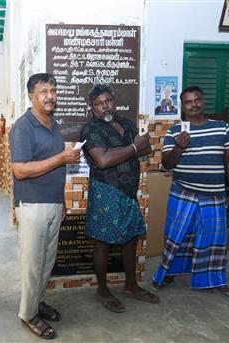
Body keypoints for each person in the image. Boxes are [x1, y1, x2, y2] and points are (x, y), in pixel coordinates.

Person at [152, 86, 229, 307]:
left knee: (214, 240)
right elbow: (167, 164)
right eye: (188, 102)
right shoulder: (175, 131)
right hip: (183, 192)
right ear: (182, 106)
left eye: (197, 100)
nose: (193, 104)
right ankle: (167, 273)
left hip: (214, 195)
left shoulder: (222, 128)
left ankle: (216, 280)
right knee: (176, 236)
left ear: (203, 102)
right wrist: (179, 147)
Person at [9, 73, 80, 340]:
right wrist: (62, 157)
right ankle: (27, 314)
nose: (50, 96)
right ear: (31, 95)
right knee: (32, 264)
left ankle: (37, 302)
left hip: (52, 204)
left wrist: (61, 201)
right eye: (43, 91)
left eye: (53, 90)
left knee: (46, 261)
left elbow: (57, 168)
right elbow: (21, 170)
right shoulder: (23, 127)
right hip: (32, 206)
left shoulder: (53, 124)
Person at [80, 85, 160, 313]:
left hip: (128, 191)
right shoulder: (91, 129)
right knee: (103, 241)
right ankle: (103, 290)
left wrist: (136, 147)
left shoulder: (127, 123)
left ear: (114, 101)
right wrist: (134, 146)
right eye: (99, 103)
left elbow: (147, 150)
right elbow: (103, 160)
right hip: (106, 190)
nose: (105, 106)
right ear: (92, 107)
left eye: (108, 100)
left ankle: (131, 285)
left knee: (131, 237)